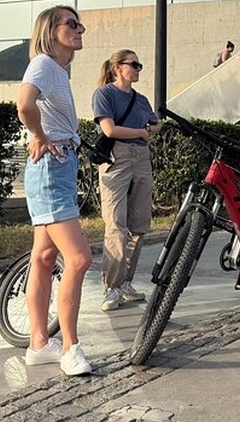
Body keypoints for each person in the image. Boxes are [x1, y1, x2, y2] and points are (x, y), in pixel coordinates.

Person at [16, 5, 93, 376]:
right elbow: (24, 106)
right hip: (51, 166)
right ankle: (70, 348)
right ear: (50, 30)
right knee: (79, 259)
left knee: (44, 258)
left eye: (79, 24)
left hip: (59, 165)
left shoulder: (58, 70)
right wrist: (39, 136)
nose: (81, 29)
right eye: (72, 24)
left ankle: (38, 344)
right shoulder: (44, 64)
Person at [92, 50, 162, 312]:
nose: (138, 69)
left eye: (139, 64)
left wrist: (150, 130)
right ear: (117, 67)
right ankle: (111, 287)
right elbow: (109, 129)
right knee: (116, 224)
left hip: (141, 157)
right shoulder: (105, 94)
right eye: (134, 64)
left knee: (139, 224)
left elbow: (154, 124)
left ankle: (125, 282)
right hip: (117, 156)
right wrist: (141, 132)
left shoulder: (141, 99)